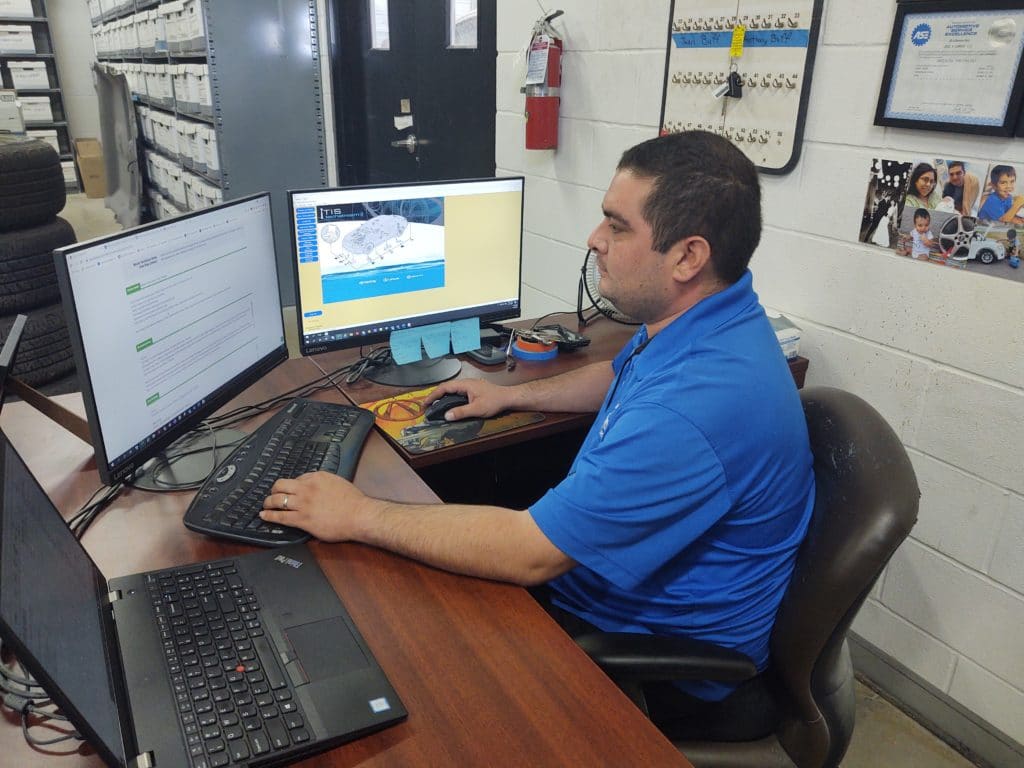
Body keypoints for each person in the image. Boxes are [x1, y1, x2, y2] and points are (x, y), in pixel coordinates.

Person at [260, 131, 815, 736]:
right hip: (612, 589)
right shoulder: (711, 321)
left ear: (688, 257)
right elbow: (619, 373)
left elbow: (530, 552)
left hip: (661, 667)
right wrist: (508, 396)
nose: (594, 240)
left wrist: (359, 514)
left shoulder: (697, 408)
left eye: (617, 226)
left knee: (400, 653)